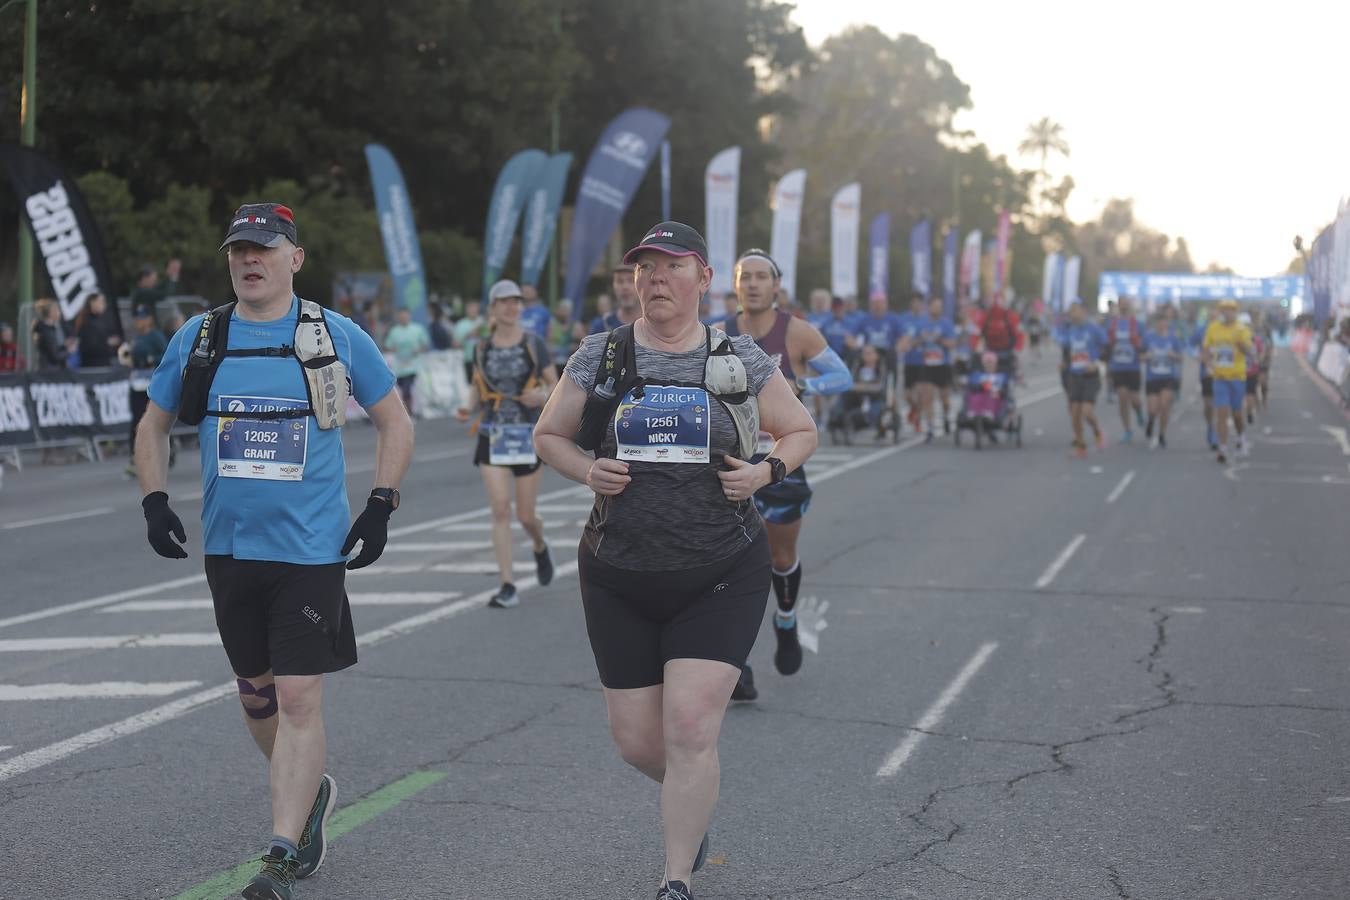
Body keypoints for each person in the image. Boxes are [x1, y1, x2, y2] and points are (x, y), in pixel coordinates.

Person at [134, 203, 413, 900]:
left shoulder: (334, 335)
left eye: (263, 248)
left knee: (296, 697)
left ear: (295, 258)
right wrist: (154, 499)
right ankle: (309, 788)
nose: (249, 260)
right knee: (258, 696)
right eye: (238, 250)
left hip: (311, 551)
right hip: (230, 547)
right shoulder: (201, 337)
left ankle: (281, 855)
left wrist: (381, 503)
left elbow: (394, 419)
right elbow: (154, 421)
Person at [534, 221, 818, 900]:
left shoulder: (738, 358)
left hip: (720, 569)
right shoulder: (600, 355)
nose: (656, 279)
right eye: (645, 268)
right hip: (617, 571)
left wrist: (764, 471)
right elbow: (548, 435)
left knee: (690, 728)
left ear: (703, 280)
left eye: (672, 266)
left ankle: (675, 879)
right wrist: (585, 468)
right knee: (638, 743)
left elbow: (800, 428)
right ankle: (691, 808)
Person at [723, 247, 852, 698]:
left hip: (781, 458)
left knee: (778, 559)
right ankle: (735, 664)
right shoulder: (716, 333)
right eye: (746, 276)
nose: (754, 284)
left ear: (776, 286)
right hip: (729, 462)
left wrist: (806, 384)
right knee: (729, 563)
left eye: (762, 276)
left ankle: (786, 618)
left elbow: (843, 376)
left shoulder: (795, 332)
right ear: (735, 285)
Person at [455, 279, 556, 609]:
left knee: (526, 516)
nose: (512, 307)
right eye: (504, 302)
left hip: (527, 434)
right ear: (493, 309)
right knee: (500, 509)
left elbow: (556, 386)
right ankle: (507, 584)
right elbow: (476, 384)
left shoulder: (534, 342)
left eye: (516, 302)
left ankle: (539, 546)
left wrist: (540, 395)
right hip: (492, 433)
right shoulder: (482, 347)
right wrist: (468, 407)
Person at [1201, 299, 1254, 464]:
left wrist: (1240, 344)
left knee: (1237, 414)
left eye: (1230, 310)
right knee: (1221, 413)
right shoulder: (1213, 328)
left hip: (1237, 377)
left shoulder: (1241, 329)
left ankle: (1240, 436)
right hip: (1220, 378)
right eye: (1224, 310)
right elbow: (1205, 350)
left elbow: (1249, 351)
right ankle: (1222, 447)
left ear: (1235, 312)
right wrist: (1208, 364)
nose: (1227, 313)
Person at [902, 296, 956, 441]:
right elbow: (912, 343)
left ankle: (945, 417)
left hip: (942, 364)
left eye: (939, 306)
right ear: (929, 307)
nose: (937, 309)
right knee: (927, 397)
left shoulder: (946, 323)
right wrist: (920, 340)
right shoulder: (922, 323)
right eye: (934, 306)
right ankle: (930, 427)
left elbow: (952, 344)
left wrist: (939, 340)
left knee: (945, 398)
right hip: (926, 364)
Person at [124, 304, 170, 474]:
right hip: (137, 384)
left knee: (154, 419)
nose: (139, 322)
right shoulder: (136, 338)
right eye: (136, 319)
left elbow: (166, 355)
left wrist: (151, 358)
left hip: (152, 384)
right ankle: (134, 456)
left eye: (142, 318)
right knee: (136, 420)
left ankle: (163, 453)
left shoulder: (155, 336)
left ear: (149, 319)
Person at [1058, 301, 1108, 458]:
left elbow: (1106, 348)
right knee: (1074, 413)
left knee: (1086, 411)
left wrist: (1097, 363)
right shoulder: (1070, 330)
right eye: (1070, 311)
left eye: (1075, 311)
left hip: (1090, 376)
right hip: (1074, 375)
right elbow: (1067, 350)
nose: (1072, 314)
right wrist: (1064, 363)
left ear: (1083, 311)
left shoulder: (1094, 329)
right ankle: (1080, 445)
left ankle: (1097, 431)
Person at [1105, 297, 1145, 443]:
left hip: (1133, 366)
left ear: (1130, 305)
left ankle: (1139, 412)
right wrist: (1108, 365)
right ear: (1118, 305)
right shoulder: (1112, 323)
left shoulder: (1137, 324)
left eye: (1126, 304)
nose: (1124, 306)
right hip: (1118, 367)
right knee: (1122, 397)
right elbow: (1108, 345)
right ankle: (1127, 429)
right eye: (1122, 304)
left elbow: (1144, 343)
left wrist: (1142, 352)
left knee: (1135, 399)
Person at [1142, 314, 1183, 448]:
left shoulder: (1173, 338)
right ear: (1155, 324)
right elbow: (1140, 356)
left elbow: (1181, 358)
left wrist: (1174, 356)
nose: (1160, 325)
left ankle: (1162, 434)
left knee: (1165, 405)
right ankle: (1151, 420)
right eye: (1158, 322)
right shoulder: (1148, 338)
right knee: (1153, 409)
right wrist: (1146, 356)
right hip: (1152, 377)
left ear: (1167, 324)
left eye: (1163, 322)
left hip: (1168, 377)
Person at [383, 306, 430, 414]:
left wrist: (419, 350)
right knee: (403, 389)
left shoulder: (417, 329)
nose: (404, 318)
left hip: (414, 366)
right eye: (401, 317)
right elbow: (387, 346)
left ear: (409, 316)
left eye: (405, 316)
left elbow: (425, 344)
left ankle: (410, 412)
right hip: (400, 366)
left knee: (408, 389)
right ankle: (408, 411)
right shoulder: (394, 331)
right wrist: (393, 349)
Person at [74, 292, 122, 367]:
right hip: (94, 366)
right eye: (101, 301)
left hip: (105, 362)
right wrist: (108, 343)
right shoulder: (86, 322)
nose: (104, 304)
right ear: (92, 303)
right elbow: (90, 347)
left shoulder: (101, 319)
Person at [591, 263, 641, 333]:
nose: (625, 287)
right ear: (613, 286)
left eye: (631, 280)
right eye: (619, 281)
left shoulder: (654, 325)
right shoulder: (602, 326)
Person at [32, 298, 75, 370]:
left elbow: (53, 348)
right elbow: (54, 356)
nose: (59, 313)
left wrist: (64, 345)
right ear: (51, 313)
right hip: (50, 373)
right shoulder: (46, 331)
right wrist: (69, 351)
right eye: (57, 310)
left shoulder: (50, 329)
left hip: (52, 370)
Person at [452, 299, 487, 385]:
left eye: (475, 309)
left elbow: (489, 340)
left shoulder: (483, 322)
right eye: (470, 309)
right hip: (468, 360)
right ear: (466, 310)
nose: (473, 311)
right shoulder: (460, 325)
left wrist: (479, 334)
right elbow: (455, 345)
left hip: (483, 359)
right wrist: (468, 336)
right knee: (471, 385)